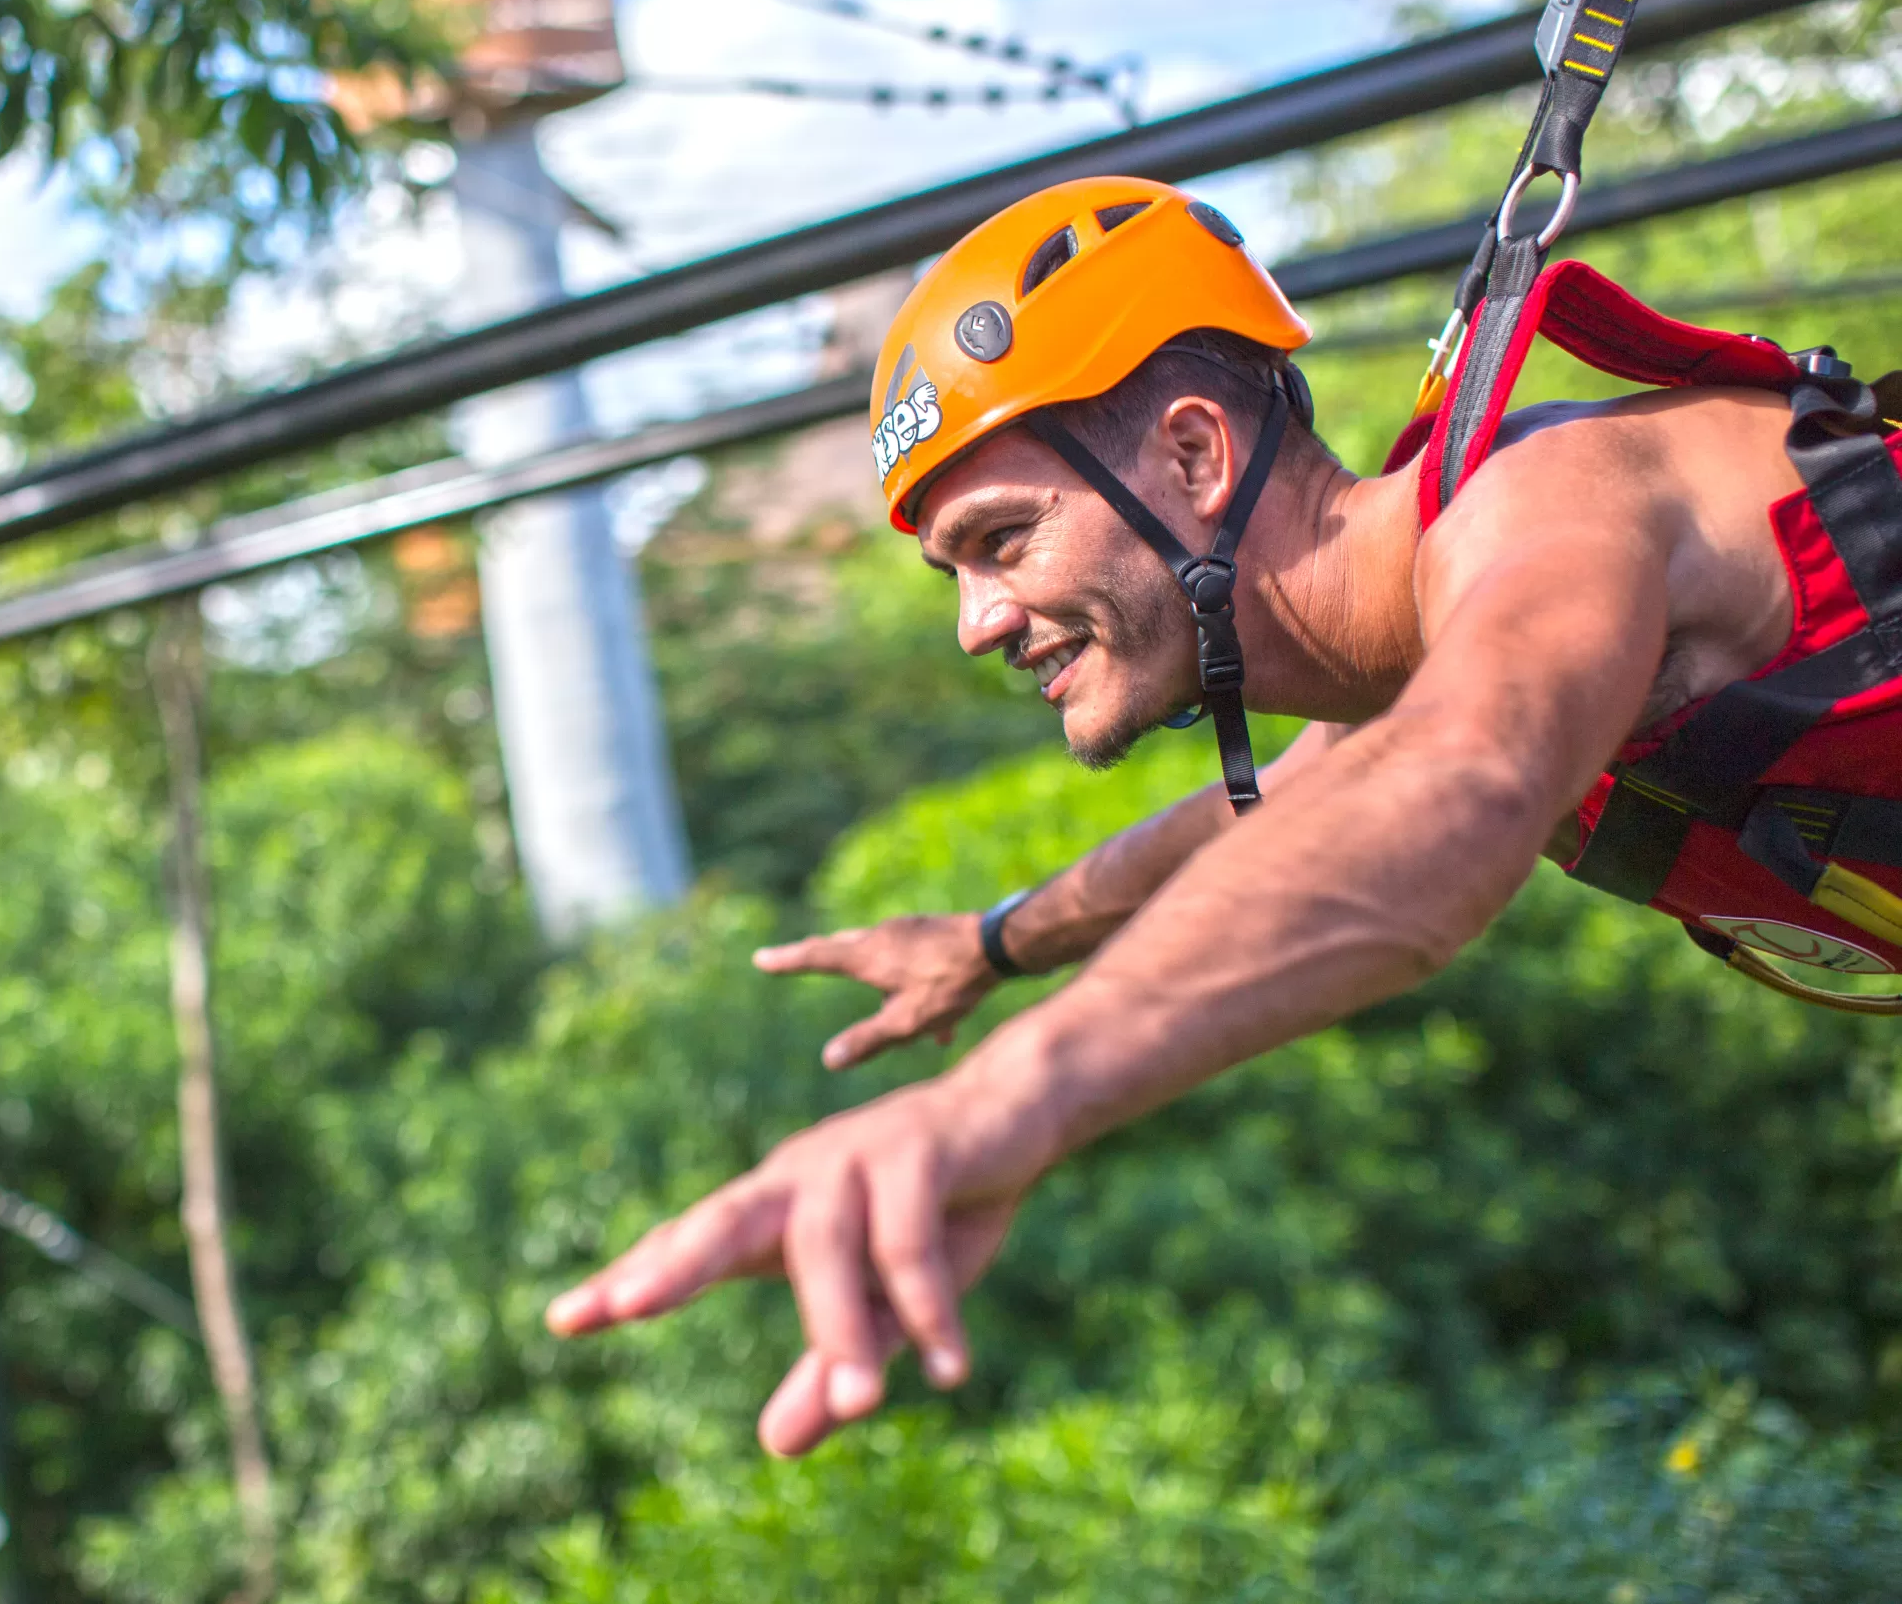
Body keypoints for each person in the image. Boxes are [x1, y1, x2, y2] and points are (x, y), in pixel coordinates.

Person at [544, 174, 1902, 1458]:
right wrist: (998, 939)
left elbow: (1461, 780)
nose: (974, 626)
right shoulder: (1420, 654)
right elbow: (1260, 816)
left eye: (1002, 542)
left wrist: (1000, 1099)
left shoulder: (1544, 515)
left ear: (1194, 453)